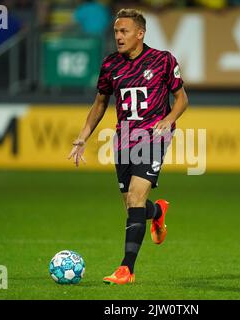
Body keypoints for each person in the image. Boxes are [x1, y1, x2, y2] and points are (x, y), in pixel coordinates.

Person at [67, 8, 189, 285]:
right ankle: (157, 212)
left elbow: (181, 99)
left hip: (154, 137)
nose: (118, 37)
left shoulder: (162, 60)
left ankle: (126, 269)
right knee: (133, 206)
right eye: (116, 32)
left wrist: (168, 120)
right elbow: (99, 104)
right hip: (124, 139)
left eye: (124, 32)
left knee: (134, 199)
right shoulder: (111, 65)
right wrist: (83, 136)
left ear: (140, 33)